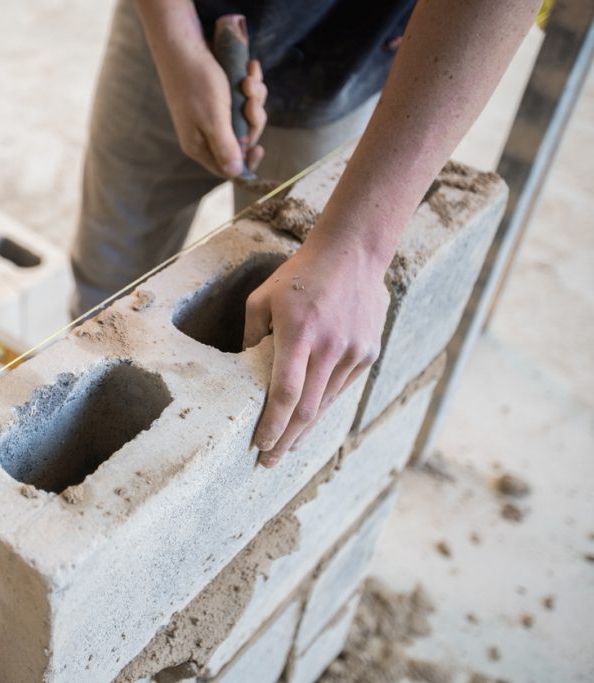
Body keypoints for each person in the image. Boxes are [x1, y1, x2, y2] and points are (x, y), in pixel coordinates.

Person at [70, 0, 540, 467]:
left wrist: (358, 248)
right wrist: (176, 43)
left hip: (345, 58)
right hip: (174, 20)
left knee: (287, 350)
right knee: (107, 276)